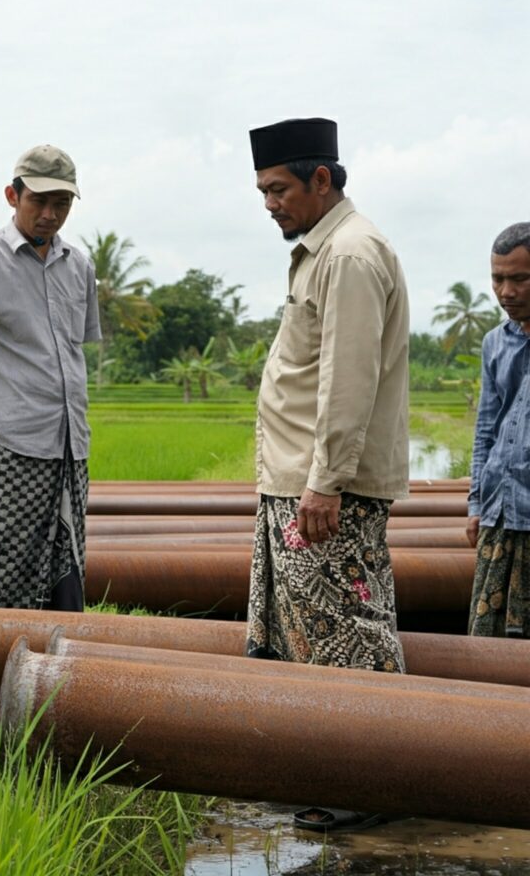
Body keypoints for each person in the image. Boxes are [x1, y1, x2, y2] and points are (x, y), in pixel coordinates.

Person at [244, 118, 410, 833]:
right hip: (302, 485)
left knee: (350, 637)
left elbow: (348, 382)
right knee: (313, 637)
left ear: (322, 180)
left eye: (279, 189)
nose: (270, 204)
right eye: (262, 191)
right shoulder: (323, 251)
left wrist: (324, 484)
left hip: (322, 492)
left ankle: (368, 782)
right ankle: (335, 773)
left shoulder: (347, 254)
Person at [0, 144, 101, 612]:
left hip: (70, 443)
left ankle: (54, 670)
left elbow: (74, 353)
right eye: (39, 201)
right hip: (7, 439)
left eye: (62, 204)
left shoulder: (80, 266)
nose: (50, 215)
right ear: (13, 196)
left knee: (63, 558)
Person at [467, 221, 530, 638]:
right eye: (497, 278)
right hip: (499, 509)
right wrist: (475, 504)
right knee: (490, 636)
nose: (506, 291)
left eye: (520, 279)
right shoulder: (495, 342)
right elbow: (486, 428)